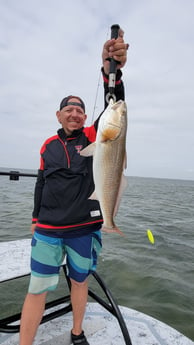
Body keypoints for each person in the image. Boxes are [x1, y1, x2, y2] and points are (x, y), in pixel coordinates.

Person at [19, 30, 128, 345]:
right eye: (69, 108)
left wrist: (112, 70)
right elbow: (41, 184)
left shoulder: (96, 135)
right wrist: (35, 216)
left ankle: (77, 332)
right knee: (37, 288)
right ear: (59, 114)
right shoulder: (47, 146)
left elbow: (116, 106)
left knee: (79, 283)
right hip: (48, 231)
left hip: (83, 228)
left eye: (81, 109)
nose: (76, 113)